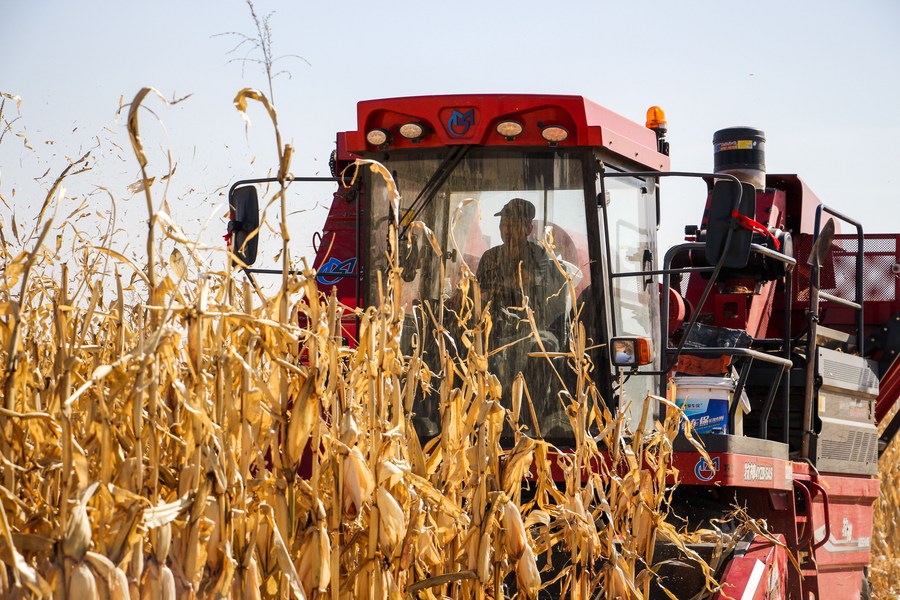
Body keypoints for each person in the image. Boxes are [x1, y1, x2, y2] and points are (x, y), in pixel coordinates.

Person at [476, 198, 567, 348]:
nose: (506, 230)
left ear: (528, 229)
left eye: (513, 225)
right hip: (492, 327)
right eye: (503, 224)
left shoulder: (538, 256)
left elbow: (528, 286)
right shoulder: (489, 257)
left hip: (527, 329)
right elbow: (477, 293)